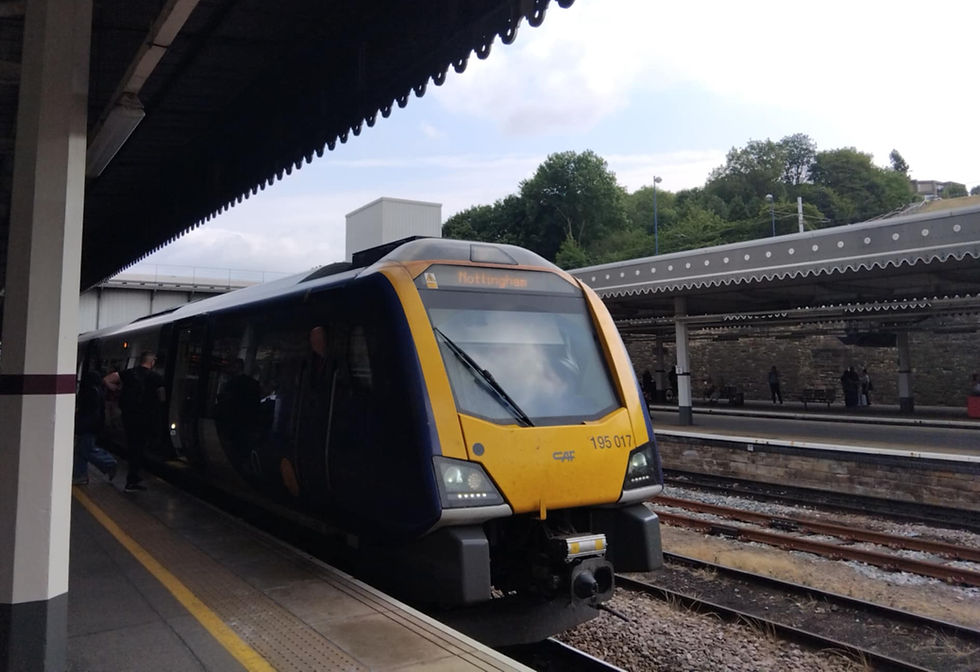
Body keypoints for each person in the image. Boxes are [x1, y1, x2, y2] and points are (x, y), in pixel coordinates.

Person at [119, 351, 165, 492]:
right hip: (145, 419)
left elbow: (108, 379)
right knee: (139, 449)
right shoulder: (156, 377)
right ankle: (132, 480)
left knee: (133, 447)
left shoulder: (129, 373)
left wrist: (116, 389)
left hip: (129, 417)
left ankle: (133, 477)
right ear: (152, 362)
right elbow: (162, 398)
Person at [72, 370, 118, 485]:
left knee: (86, 449)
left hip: (88, 426)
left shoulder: (90, 392)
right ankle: (80, 475)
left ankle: (109, 462)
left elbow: (87, 411)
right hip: (92, 426)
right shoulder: (98, 391)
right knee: (82, 450)